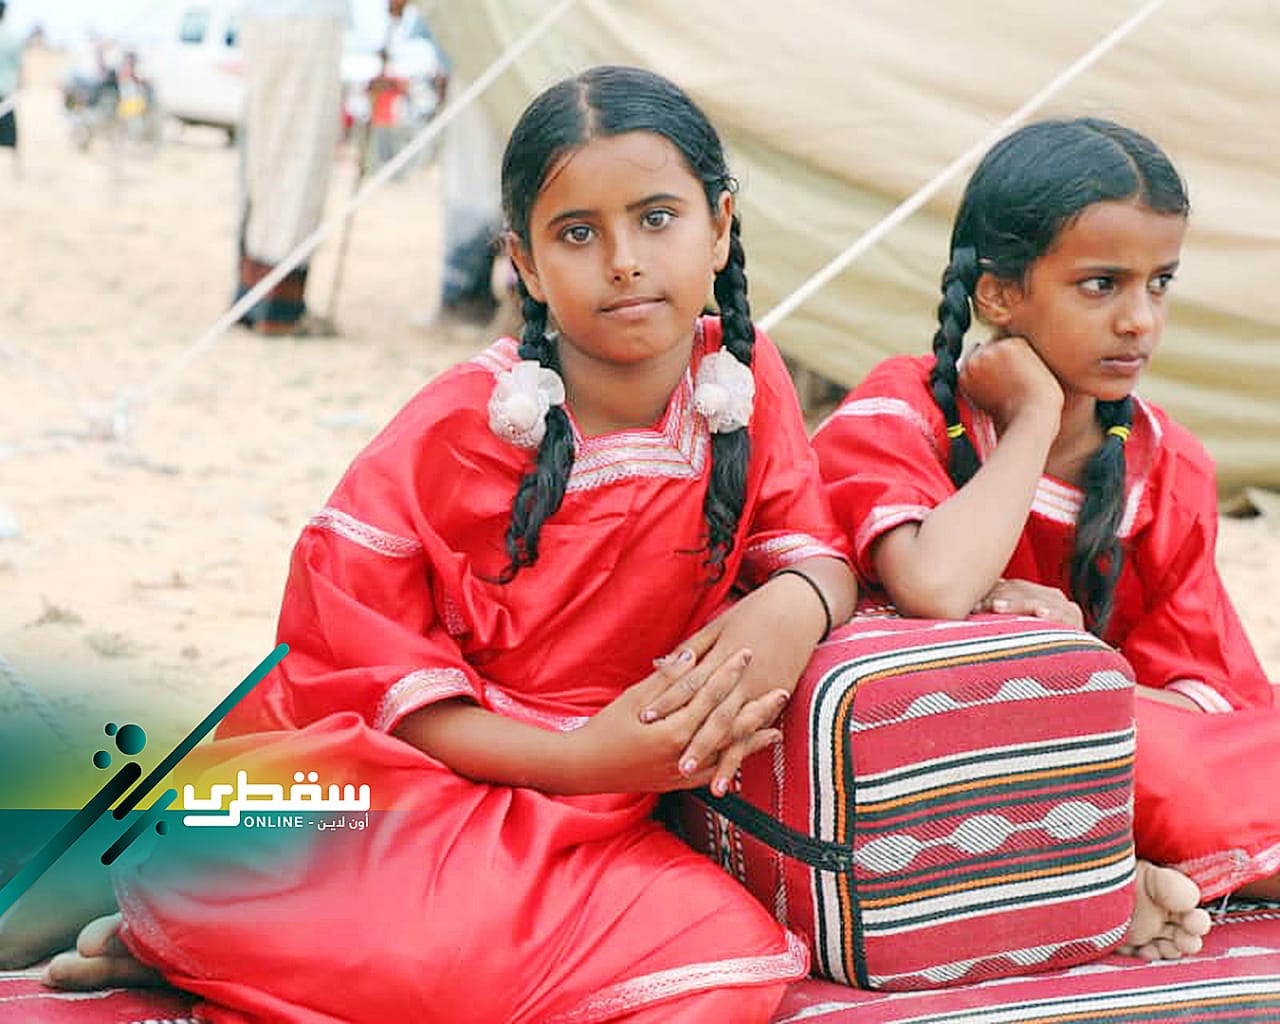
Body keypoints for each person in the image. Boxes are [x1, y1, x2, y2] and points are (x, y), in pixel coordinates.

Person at [41, 66, 858, 1022]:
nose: (624, 261)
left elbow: (817, 547)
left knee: (729, 964)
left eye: (656, 219)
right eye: (578, 233)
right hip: (436, 786)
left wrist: (798, 598)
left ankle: (239, 956)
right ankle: (215, 939)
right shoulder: (463, 424)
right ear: (525, 262)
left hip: (607, 825)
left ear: (719, 227)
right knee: (218, 853)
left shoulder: (744, 384)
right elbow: (355, 667)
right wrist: (581, 759)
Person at [813, 116, 1276, 959]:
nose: (1140, 320)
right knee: (1058, 742)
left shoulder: (1168, 466)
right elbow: (934, 587)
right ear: (998, 295)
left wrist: (1074, 663)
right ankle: (1099, 872)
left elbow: (1208, 699)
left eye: (1160, 283)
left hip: (1105, 752)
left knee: (1167, 754)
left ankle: (1097, 872)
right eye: (1101, 285)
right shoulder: (902, 410)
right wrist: (1032, 419)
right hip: (929, 755)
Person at [234, 0, 347, 336]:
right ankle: (276, 310)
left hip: (268, 20)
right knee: (300, 160)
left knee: (268, 160)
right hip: (307, 19)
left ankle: (252, 298)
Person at [0, 1, 23, 177]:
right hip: (6, 93)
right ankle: (14, 173)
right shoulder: (12, 38)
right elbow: (20, 67)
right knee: (10, 136)